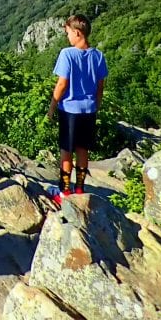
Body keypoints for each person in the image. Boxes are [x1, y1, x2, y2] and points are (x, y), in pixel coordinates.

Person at [47, 14, 108, 205]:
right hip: (89, 110)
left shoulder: (67, 54)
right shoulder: (98, 56)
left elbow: (62, 84)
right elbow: (100, 86)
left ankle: (64, 192)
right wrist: (96, 105)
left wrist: (52, 107)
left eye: (68, 33)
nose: (67, 37)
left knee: (66, 150)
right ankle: (80, 188)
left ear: (77, 32)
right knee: (83, 149)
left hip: (70, 110)